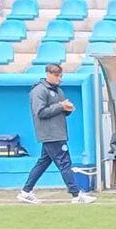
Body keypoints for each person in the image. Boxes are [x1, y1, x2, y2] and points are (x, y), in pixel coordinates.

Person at [17, 65, 95, 204]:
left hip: (58, 132)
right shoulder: (39, 90)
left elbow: (62, 111)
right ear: (48, 74)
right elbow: (40, 112)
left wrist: (68, 109)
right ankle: (76, 194)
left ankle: (25, 191)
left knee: (43, 163)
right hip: (50, 134)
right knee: (65, 163)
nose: (59, 78)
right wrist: (60, 106)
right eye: (56, 75)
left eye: (60, 75)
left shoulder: (58, 90)